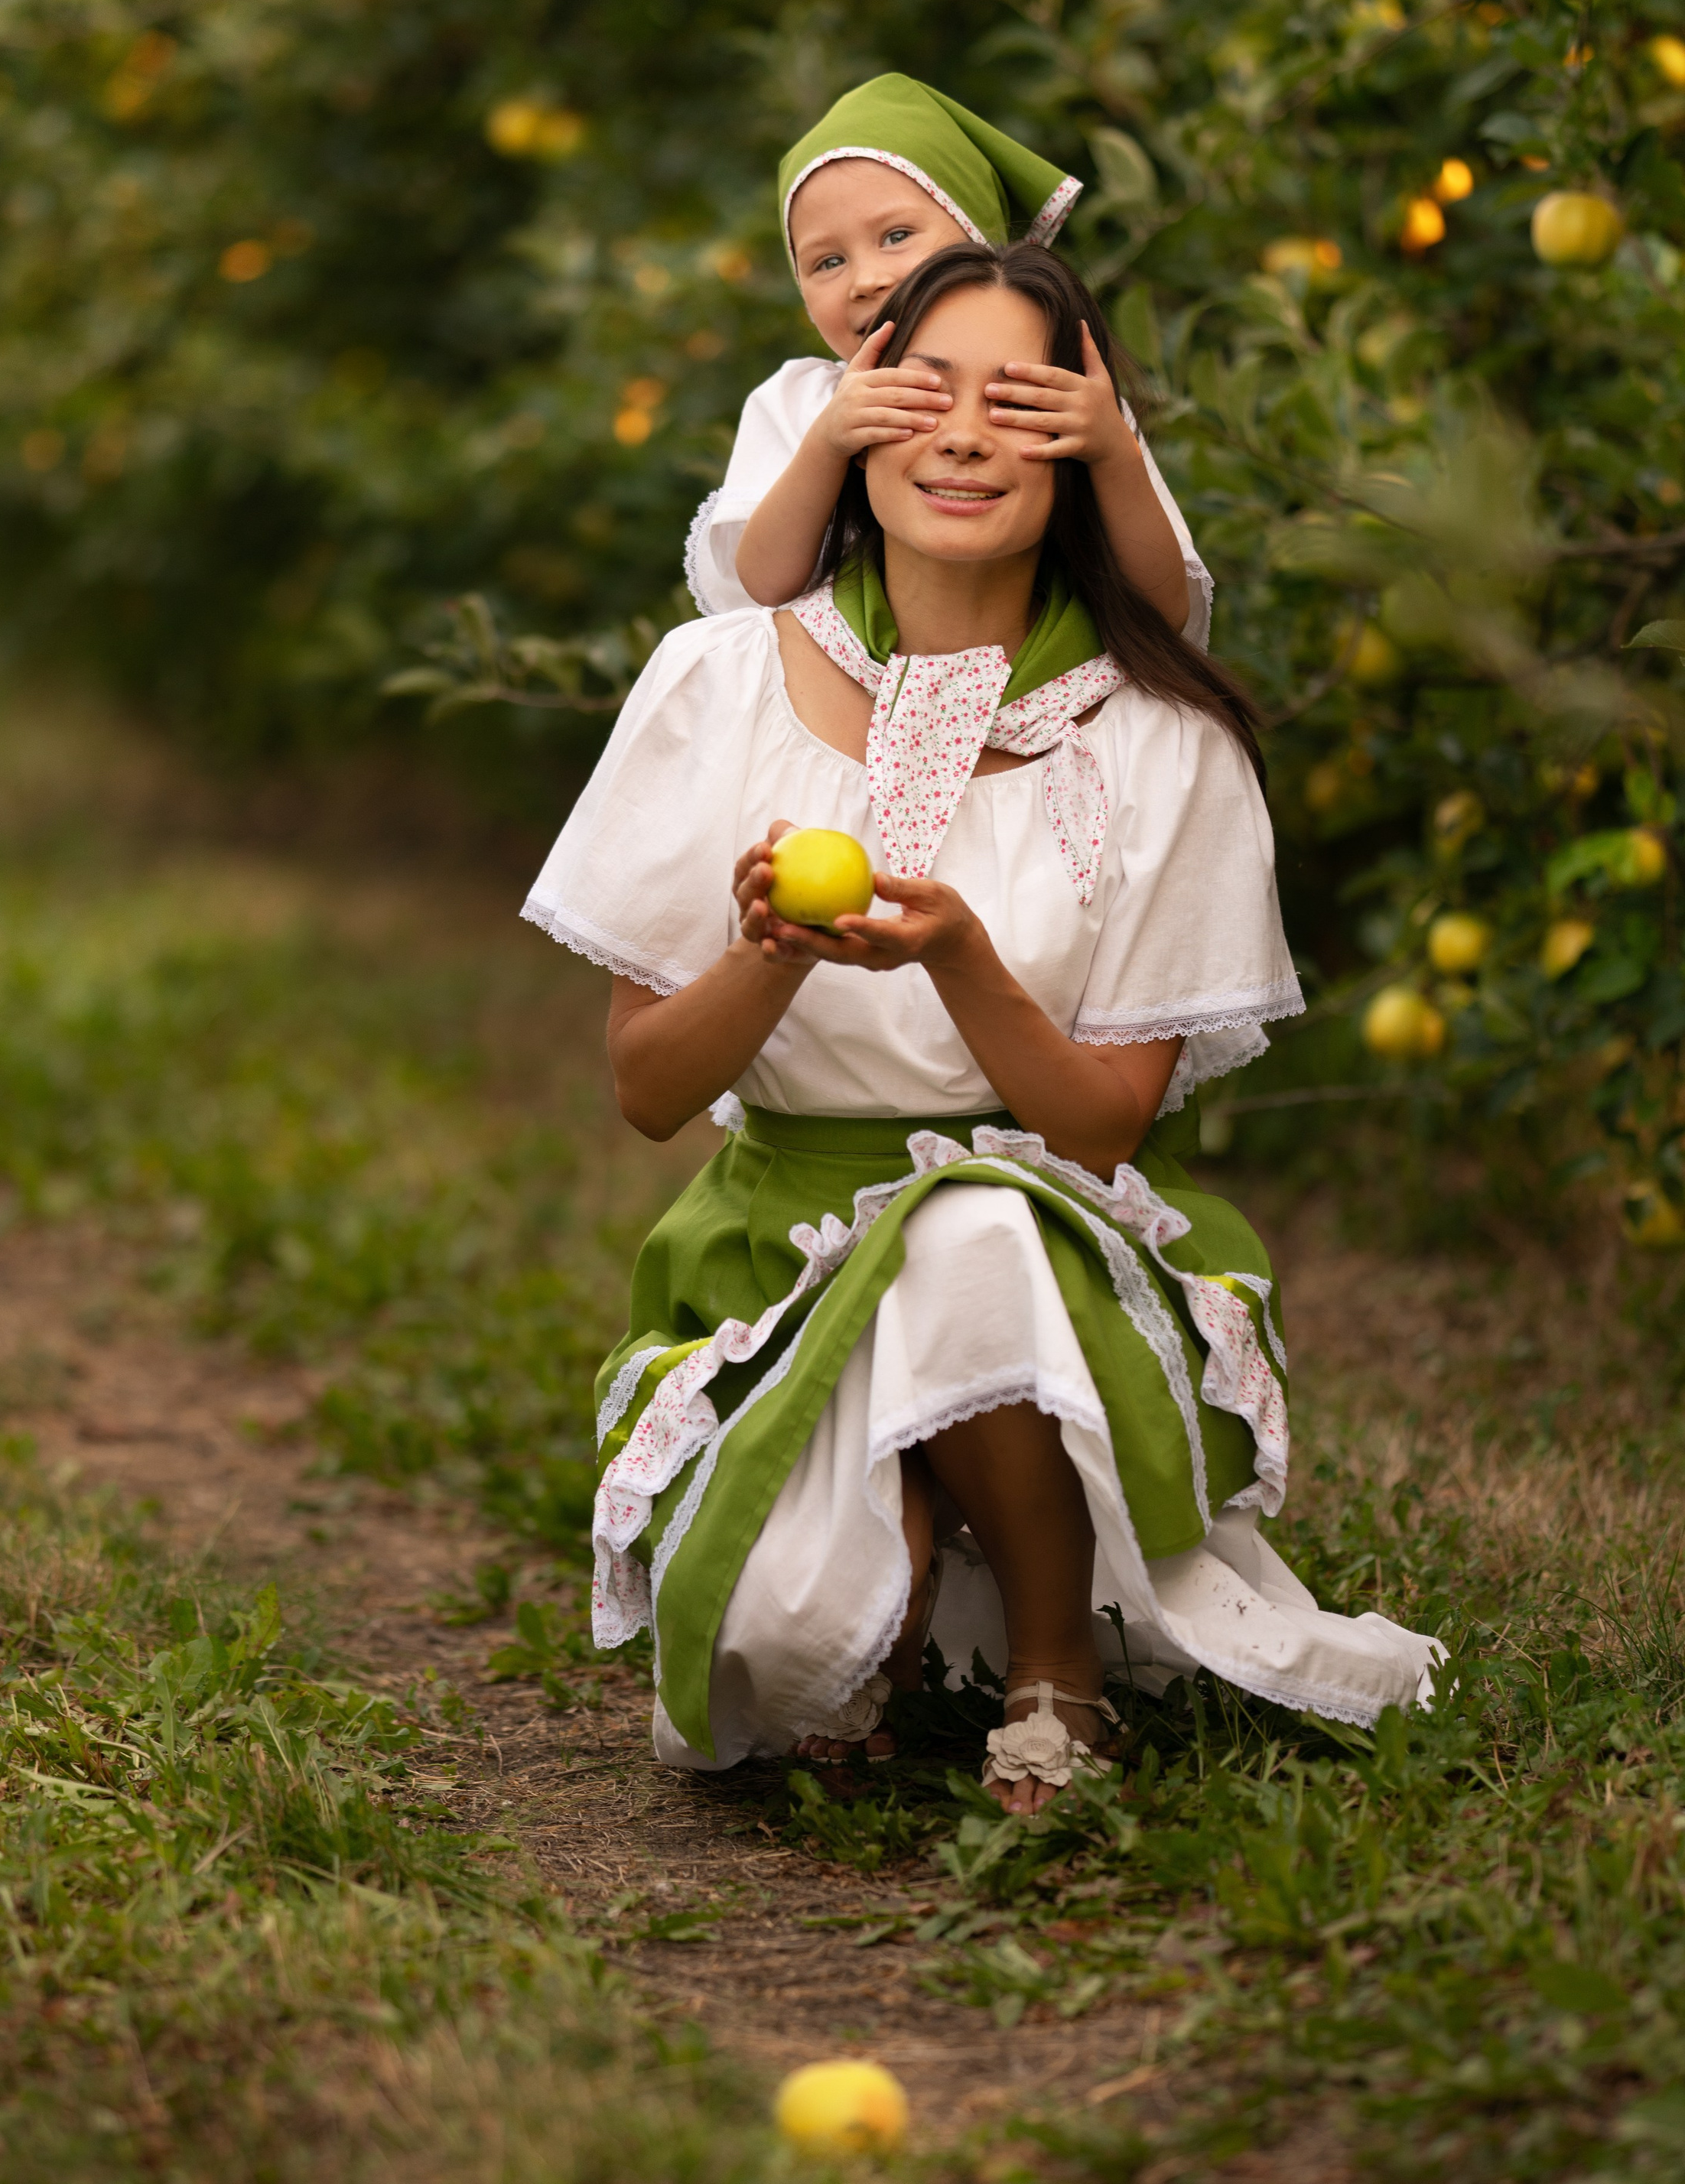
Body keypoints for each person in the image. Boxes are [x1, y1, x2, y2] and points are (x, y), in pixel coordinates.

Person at [525, 235, 1440, 1810]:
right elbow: (645, 1093)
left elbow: (1097, 1122)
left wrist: (958, 961)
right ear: (852, 408)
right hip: (779, 1243)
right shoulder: (717, 681)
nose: (958, 438)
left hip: (1043, 1245)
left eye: (1014, 405)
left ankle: (1050, 1669)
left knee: (960, 1218)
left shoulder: (1160, 744)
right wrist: (774, 956)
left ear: (1084, 451)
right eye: (920, 389)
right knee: (772, 1662)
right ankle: (873, 1539)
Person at [685, 72, 1212, 651]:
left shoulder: (1062, 390)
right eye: (827, 262)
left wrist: (1111, 450)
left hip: (1040, 688)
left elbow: (1162, 609)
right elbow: (764, 584)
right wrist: (828, 443)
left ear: (979, 241)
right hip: (843, 699)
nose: (867, 279)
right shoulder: (801, 401)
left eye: (896, 236)